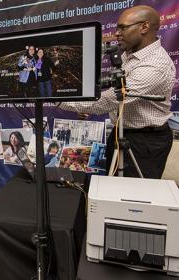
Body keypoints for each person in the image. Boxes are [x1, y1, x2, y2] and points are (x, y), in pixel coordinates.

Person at [60, 5, 175, 178]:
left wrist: (56, 98)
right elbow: (117, 91)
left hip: (144, 142)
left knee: (132, 198)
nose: (117, 33)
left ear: (144, 27)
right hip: (120, 132)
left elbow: (109, 100)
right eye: (117, 28)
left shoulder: (156, 65)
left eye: (123, 27)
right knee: (112, 190)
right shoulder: (128, 54)